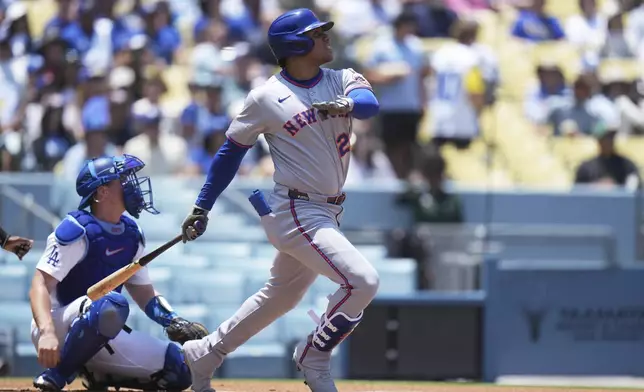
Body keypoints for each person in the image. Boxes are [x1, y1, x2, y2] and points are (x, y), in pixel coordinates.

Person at [179, 8, 380, 392]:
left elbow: (369, 104)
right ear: (296, 44)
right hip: (296, 209)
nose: (326, 37)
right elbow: (230, 153)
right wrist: (202, 206)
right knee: (363, 282)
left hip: (328, 209)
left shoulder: (342, 78)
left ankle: (205, 354)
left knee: (281, 296)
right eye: (317, 33)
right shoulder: (266, 96)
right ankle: (315, 356)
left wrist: (347, 106)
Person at [30, 154, 207, 392]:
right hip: (57, 325)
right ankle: (58, 374)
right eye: (123, 179)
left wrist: (173, 321)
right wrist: (47, 332)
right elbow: (39, 284)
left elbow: (145, 293)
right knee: (112, 303)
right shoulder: (77, 229)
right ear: (102, 192)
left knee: (182, 369)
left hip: (103, 329)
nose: (132, 185)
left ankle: (100, 376)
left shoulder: (132, 233)